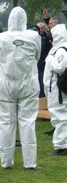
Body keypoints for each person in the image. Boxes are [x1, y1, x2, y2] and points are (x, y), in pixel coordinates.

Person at [0, 7, 41, 169]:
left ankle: (6, 162)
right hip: (28, 82)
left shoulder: (1, 37)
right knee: (28, 122)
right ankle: (30, 163)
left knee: (5, 122)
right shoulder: (34, 36)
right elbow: (37, 56)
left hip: (6, 83)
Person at [43, 24, 67, 155]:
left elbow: (59, 67)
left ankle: (62, 145)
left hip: (57, 90)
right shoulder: (58, 49)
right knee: (60, 115)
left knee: (60, 116)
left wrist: (51, 60)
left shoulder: (61, 50)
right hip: (55, 89)